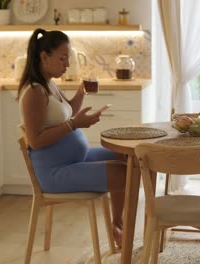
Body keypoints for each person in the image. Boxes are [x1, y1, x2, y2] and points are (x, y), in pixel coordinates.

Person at [17, 28, 126, 247]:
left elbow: (68, 111)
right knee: (125, 173)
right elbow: (35, 141)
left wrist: (82, 92)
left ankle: (118, 226)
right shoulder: (34, 92)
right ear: (44, 57)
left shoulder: (49, 83)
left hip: (75, 159)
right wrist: (75, 124)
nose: (67, 65)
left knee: (127, 156)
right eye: (63, 58)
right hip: (55, 172)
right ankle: (123, 229)